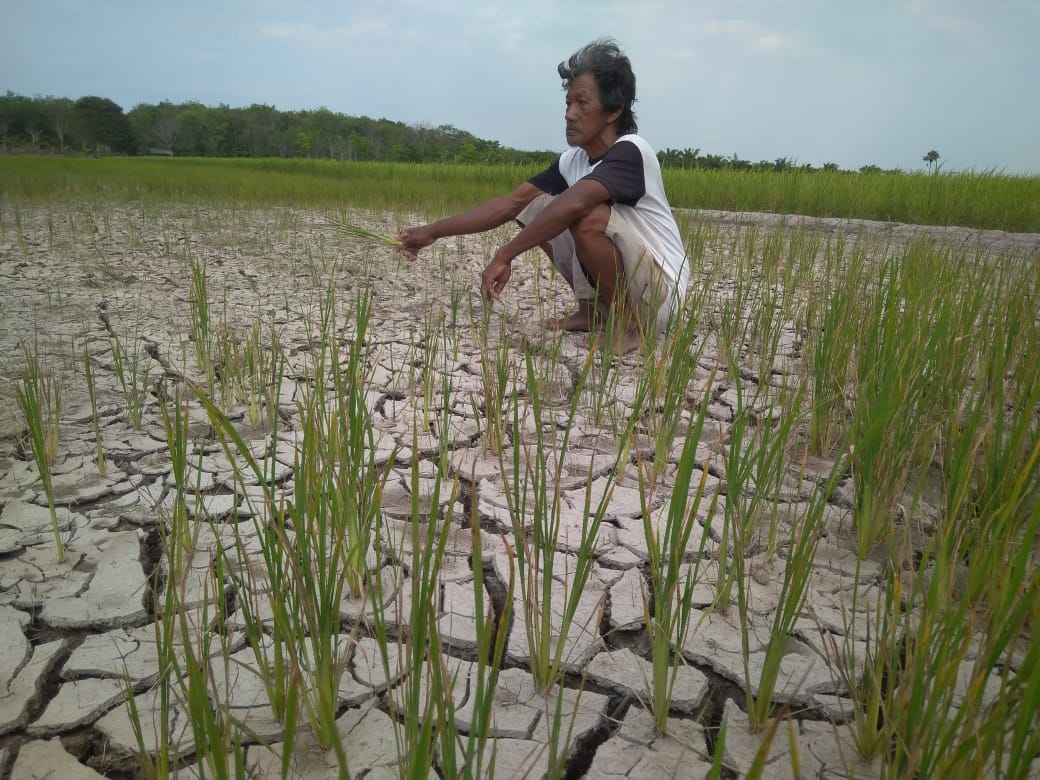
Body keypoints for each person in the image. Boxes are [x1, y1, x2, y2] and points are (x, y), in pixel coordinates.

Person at [397, 38, 688, 354]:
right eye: (567, 104)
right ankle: (592, 311)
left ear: (614, 110)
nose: (569, 114)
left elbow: (576, 202)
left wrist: (505, 254)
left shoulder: (632, 152)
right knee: (537, 207)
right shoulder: (572, 161)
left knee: (583, 213)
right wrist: (432, 232)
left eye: (582, 104)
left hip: (659, 297)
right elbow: (511, 204)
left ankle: (627, 327)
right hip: (631, 286)